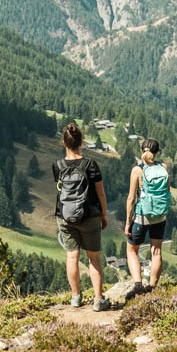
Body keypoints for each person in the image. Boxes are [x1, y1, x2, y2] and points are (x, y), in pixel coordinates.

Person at [53, 122, 111, 310]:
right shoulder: (90, 165)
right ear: (81, 142)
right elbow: (100, 193)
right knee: (93, 258)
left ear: (64, 142)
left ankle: (76, 297)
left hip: (65, 216)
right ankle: (98, 300)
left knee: (72, 257)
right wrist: (103, 214)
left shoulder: (58, 166)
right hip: (89, 215)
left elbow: (61, 190)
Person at [125, 137, 171, 291]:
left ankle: (138, 285)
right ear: (157, 153)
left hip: (142, 216)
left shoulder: (137, 170)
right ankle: (152, 287)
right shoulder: (163, 167)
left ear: (141, 151)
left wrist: (127, 223)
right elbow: (168, 192)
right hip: (160, 216)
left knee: (132, 250)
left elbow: (131, 198)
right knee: (156, 252)